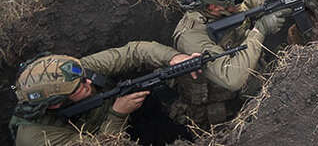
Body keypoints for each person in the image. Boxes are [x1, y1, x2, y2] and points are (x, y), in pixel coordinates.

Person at [171, 0, 288, 126]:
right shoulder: (191, 36)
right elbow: (232, 78)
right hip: (219, 115)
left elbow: (277, 3)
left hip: (253, 87)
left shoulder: (232, 2)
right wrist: (260, 30)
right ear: (213, 7)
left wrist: (305, 1)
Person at [9, 43, 197, 146]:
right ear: (55, 104)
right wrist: (118, 114)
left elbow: (133, 52)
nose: (89, 82)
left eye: (84, 77)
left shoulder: (74, 72)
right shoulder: (36, 138)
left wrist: (173, 58)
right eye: (80, 87)